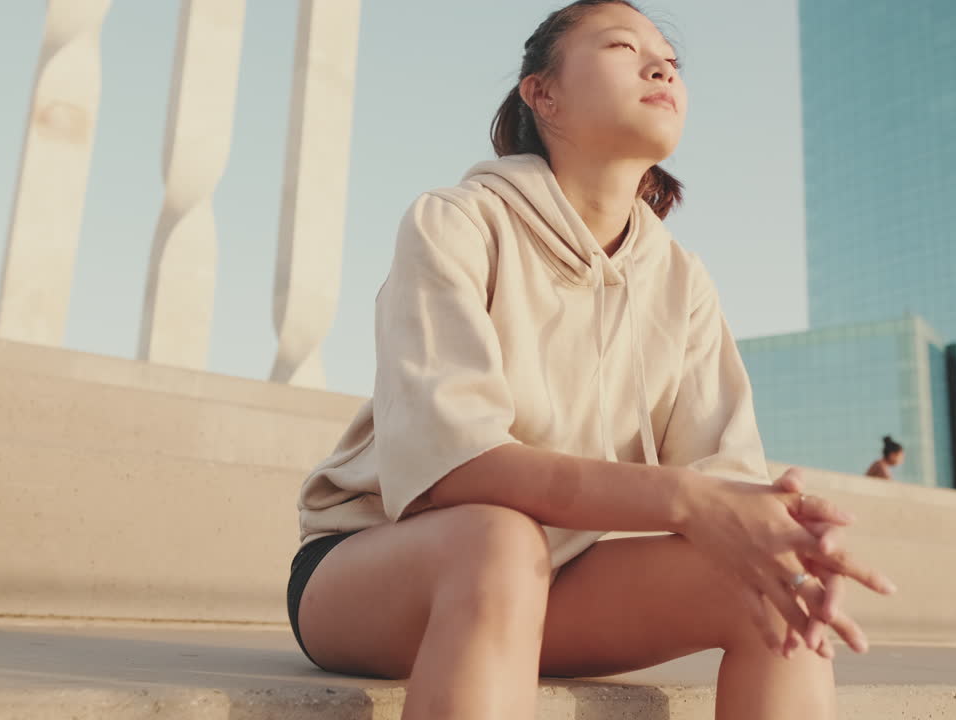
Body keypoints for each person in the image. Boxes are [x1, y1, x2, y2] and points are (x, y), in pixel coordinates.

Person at [286, 3, 895, 718]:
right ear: (542, 94)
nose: (661, 66)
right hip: (376, 569)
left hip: (554, 578)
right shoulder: (457, 222)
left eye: (670, 59)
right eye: (622, 46)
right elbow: (452, 468)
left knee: (775, 585)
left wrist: (780, 527)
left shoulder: (682, 282)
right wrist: (681, 497)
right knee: (498, 540)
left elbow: (723, 485)